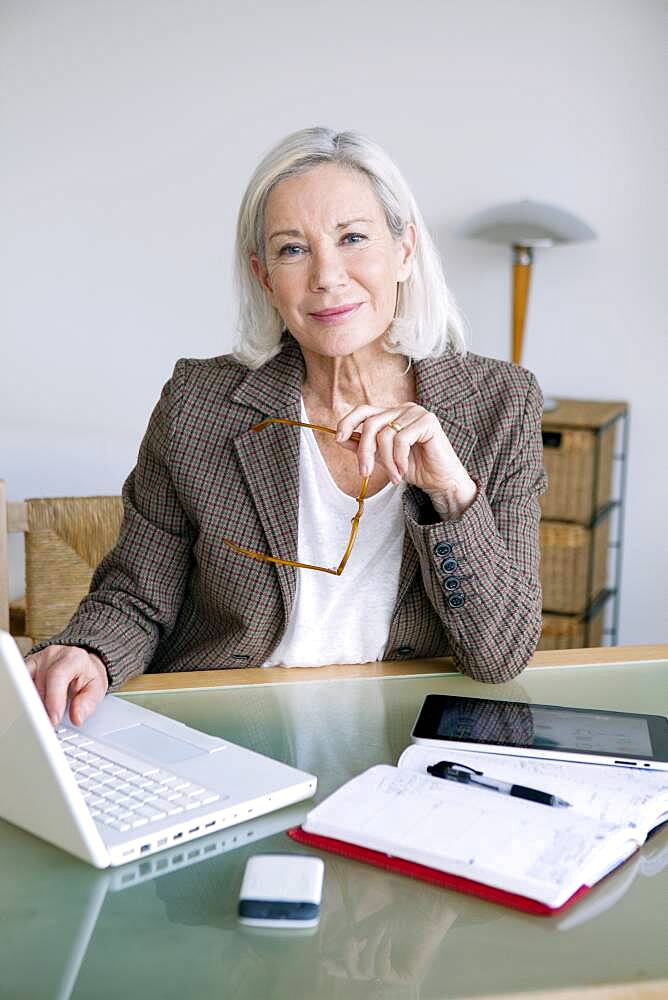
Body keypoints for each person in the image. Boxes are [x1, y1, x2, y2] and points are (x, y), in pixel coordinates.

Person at [26, 126, 546, 727]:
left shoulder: (499, 403)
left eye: (353, 238)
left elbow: (500, 655)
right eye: (292, 249)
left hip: (403, 737)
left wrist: (453, 495)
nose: (327, 276)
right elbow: (138, 596)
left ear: (405, 251)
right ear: (264, 275)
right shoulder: (199, 401)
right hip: (229, 729)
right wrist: (88, 649)